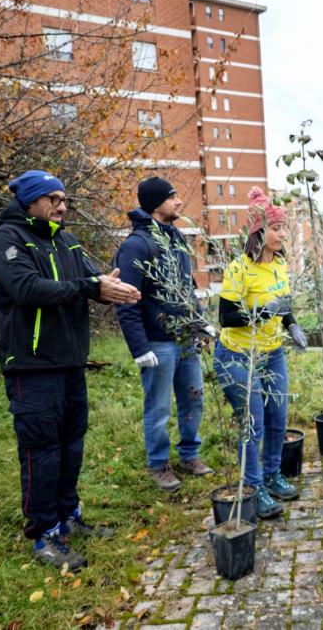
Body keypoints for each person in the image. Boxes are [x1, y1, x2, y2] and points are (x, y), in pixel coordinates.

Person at [0, 170, 141, 570]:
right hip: (32, 366)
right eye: (53, 199)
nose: (61, 206)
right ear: (31, 202)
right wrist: (91, 287)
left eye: (64, 199)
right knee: (42, 450)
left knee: (72, 442)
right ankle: (44, 534)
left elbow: (92, 279)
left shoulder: (66, 240)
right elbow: (27, 288)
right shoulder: (8, 240)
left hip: (70, 362)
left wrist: (111, 287)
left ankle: (68, 518)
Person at [114, 177, 216, 493]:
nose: (179, 201)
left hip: (186, 338)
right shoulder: (136, 245)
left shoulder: (176, 239)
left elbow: (187, 289)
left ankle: (189, 454)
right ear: (156, 204)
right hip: (157, 342)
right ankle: (158, 464)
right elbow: (126, 298)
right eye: (172, 196)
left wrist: (202, 322)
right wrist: (139, 347)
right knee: (158, 408)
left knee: (193, 399)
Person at [213, 187, 308, 519]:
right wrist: (263, 312)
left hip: (272, 353)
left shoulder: (280, 266)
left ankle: (272, 475)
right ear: (259, 231)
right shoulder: (239, 269)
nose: (282, 234)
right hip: (238, 355)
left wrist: (291, 323)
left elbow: (283, 304)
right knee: (252, 422)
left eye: (283, 228)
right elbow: (225, 317)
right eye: (277, 228)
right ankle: (253, 488)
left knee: (278, 417)